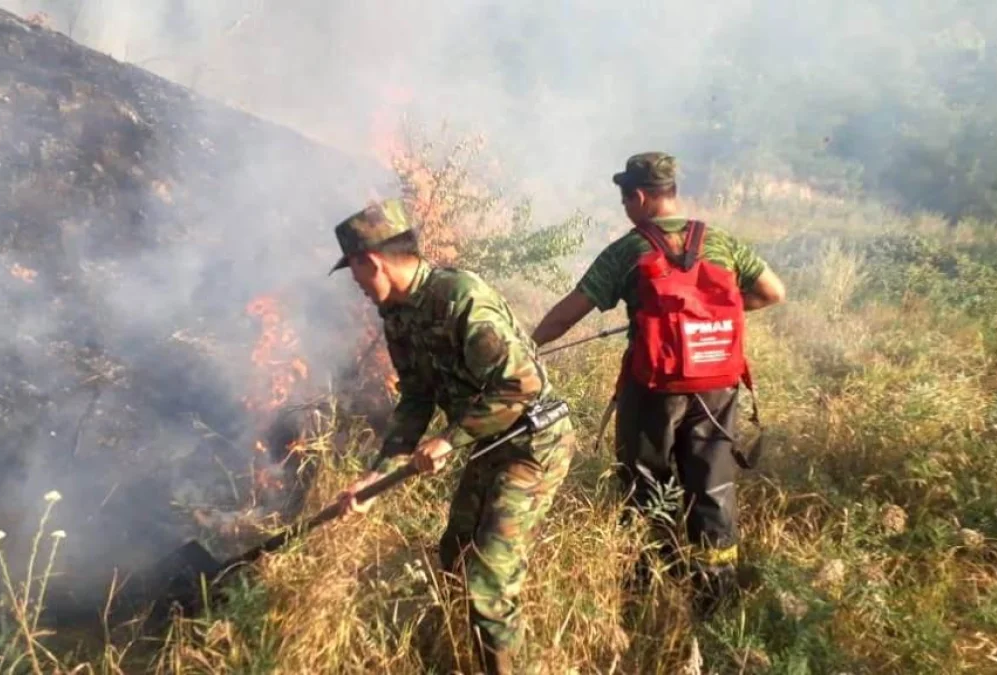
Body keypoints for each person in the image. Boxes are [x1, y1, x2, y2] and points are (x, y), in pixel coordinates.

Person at [531, 152, 785, 614]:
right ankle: (714, 599)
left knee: (645, 483)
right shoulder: (722, 242)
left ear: (642, 196)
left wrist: (528, 347)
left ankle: (649, 593)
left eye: (626, 199)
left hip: (653, 390)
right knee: (712, 486)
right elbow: (773, 291)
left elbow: (572, 309)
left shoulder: (630, 249)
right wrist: (704, 318)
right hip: (718, 386)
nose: (626, 208)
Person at [331, 198, 575, 674]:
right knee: (457, 553)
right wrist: (375, 478)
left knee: (488, 577)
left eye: (354, 272)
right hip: (490, 442)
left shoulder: (460, 297)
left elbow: (521, 386)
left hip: (532, 443)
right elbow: (417, 398)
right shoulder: (398, 314)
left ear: (371, 261)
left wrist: (450, 439)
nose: (356, 286)